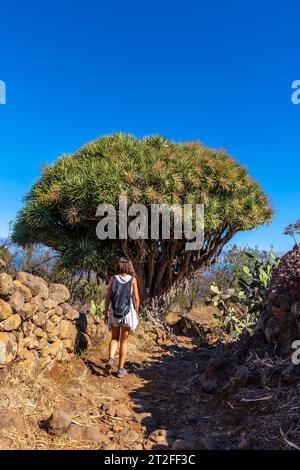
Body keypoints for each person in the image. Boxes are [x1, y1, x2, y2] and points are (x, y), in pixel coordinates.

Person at [104, 257, 140, 378]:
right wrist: (137, 312)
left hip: (114, 312)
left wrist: (105, 312)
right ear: (129, 266)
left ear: (119, 266)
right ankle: (120, 369)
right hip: (127, 313)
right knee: (124, 341)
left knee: (114, 338)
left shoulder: (113, 279)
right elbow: (136, 299)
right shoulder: (133, 280)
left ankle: (110, 359)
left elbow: (108, 297)